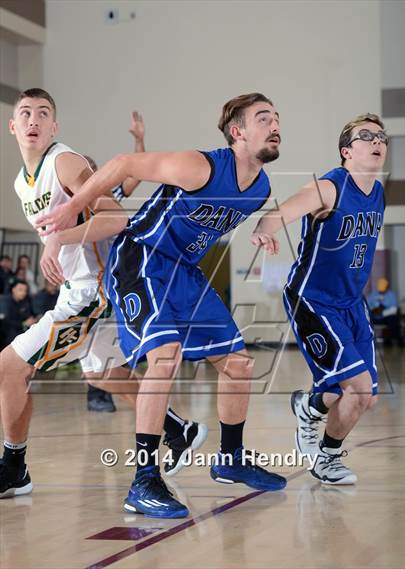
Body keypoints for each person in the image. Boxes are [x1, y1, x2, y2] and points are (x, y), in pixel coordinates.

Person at [36, 92, 288, 519]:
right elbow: (121, 165)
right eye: (264, 118)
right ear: (237, 132)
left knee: (239, 364)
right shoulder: (201, 165)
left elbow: (260, 211)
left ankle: (230, 459)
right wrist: (73, 208)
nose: (276, 124)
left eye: (278, 117)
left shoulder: (261, 188)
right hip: (142, 259)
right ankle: (144, 481)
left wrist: (266, 225)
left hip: (183, 272)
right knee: (165, 358)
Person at [0, 88, 206, 500]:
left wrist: (58, 239)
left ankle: (14, 467)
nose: (33, 120)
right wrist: (57, 245)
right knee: (104, 376)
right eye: (25, 113)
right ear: (13, 125)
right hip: (84, 289)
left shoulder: (65, 162)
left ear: (55, 126)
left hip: (92, 292)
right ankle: (178, 429)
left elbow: (115, 217)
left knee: (8, 367)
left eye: (43, 113)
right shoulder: (23, 183)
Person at [251, 113, 388, 485]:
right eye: (366, 136)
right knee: (356, 388)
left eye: (381, 137)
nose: (377, 142)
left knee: (365, 397)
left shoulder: (378, 193)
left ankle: (307, 406)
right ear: (347, 150)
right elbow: (283, 211)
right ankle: (327, 460)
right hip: (312, 299)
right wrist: (265, 229)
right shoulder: (330, 188)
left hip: (350, 303)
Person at [84, 110, 146, 412]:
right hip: (89, 285)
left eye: (93, 173)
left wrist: (139, 140)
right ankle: (99, 393)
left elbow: (136, 174)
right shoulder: (71, 207)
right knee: (96, 359)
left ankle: (150, 406)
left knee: (103, 360)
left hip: (111, 283)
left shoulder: (109, 197)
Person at [367, 277, 401, 345]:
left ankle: (391, 339)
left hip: (386, 317)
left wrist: (383, 306)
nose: (382, 291)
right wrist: (376, 307)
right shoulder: (373, 295)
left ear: (387, 287)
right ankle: (368, 340)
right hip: (375, 317)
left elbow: (395, 307)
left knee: (393, 319)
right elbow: (367, 307)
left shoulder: (391, 295)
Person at [1, 280, 36, 345]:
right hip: (5, 335)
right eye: (20, 290)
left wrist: (31, 320)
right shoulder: (4, 301)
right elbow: (5, 322)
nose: (23, 293)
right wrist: (23, 324)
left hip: (18, 331)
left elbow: (27, 316)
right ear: (13, 289)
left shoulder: (24, 302)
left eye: (25, 291)